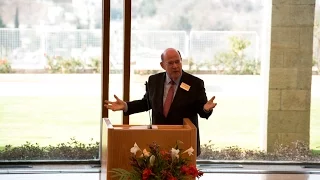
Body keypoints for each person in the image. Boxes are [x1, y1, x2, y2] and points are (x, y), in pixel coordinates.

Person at [104, 48, 217, 156]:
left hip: (184, 144)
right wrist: (126, 106)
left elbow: (202, 110)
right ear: (162, 65)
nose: (175, 66)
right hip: (158, 140)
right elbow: (147, 102)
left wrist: (206, 109)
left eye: (177, 62)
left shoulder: (195, 83)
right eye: (170, 63)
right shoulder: (154, 80)